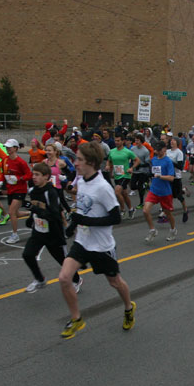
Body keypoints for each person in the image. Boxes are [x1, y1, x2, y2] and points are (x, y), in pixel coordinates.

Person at [58, 141, 136, 338]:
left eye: (79, 159)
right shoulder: (82, 181)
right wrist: (72, 226)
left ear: (91, 162)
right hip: (83, 241)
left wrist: (84, 220)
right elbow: (83, 209)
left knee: (115, 282)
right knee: (64, 278)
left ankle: (128, 308)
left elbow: (115, 217)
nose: (75, 163)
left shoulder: (103, 187)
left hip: (101, 246)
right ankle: (77, 319)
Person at [21, 163, 81, 293]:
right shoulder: (32, 191)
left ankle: (76, 279)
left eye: (37, 175)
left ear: (46, 176)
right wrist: (31, 218)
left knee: (63, 261)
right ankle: (39, 279)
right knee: (27, 254)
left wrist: (34, 209)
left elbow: (54, 215)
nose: (34, 177)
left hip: (53, 233)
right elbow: (35, 208)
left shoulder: (51, 192)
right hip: (38, 231)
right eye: (33, 174)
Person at [143, 141, 177, 243]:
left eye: (159, 149)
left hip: (165, 192)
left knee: (168, 213)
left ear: (164, 149)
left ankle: (173, 230)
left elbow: (171, 178)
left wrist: (160, 176)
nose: (157, 151)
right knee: (145, 211)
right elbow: (152, 172)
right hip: (154, 190)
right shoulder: (153, 160)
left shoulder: (168, 161)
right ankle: (152, 230)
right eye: (156, 149)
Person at [2, 139, 33, 244]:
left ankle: (15, 235)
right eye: (6, 147)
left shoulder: (21, 162)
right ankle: (32, 213)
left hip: (20, 190)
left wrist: (19, 179)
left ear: (15, 148)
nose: (7, 149)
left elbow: (29, 175)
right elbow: (4, 173)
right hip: (10, 189)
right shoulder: (5, 160)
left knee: (11, 212)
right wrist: (2, 184)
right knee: (16, 213)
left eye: (9, 147)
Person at [108, 135, 139, 219]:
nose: (116, 142)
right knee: (124, 194)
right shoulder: (112, 151)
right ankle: (131, 209)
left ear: (122, 141)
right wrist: (109, 169)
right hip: (117, 175)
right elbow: (109, 161)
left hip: (125, 174)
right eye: (115, 140)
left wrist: (131, 168)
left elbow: (137, 160)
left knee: (117, 192)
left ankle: (122, 210)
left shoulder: (127, 151)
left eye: (118, 140)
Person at [167, 137, 188, 223]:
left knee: (178, 196)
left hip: (176, 177)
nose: (172, 142)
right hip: (168, 176)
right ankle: (166, 212)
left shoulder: (179, 153)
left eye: (174, 141)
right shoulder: (167, 151)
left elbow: (180, 166)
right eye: (171, 141)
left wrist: (170, 162)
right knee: (168, 195)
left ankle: (185, 210)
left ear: (177, 143)